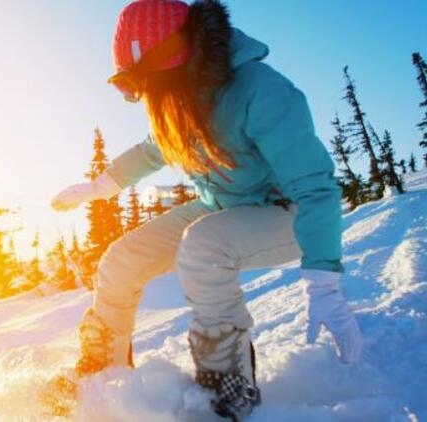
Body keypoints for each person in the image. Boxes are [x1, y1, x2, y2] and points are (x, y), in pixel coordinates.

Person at [51, 0, 363, 418]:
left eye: (141, 84)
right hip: (221, 205)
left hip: (287, 211)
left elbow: (315, 186)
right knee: (122, 260)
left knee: (204, 246)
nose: (140, 98)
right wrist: (100, 185)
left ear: (176, 62)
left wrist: (324, 279)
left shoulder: (260, 89)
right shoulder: (178, 100)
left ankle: (227, 383)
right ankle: (101, 373)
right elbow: (150, 151)